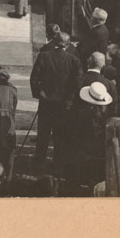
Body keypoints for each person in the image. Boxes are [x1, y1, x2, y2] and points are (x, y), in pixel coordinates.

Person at [29, 27, 82, 171]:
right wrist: (68, 101)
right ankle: (58, 162)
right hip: (62, 105)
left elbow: (34, 79)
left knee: (43, 133)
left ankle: (39, 159)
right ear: (67, 44)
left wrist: (40, 94)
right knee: (60, 134)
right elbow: (76, 84)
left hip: (46, 102)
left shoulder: (44, 56)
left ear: (55, 42)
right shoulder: (73, 60)